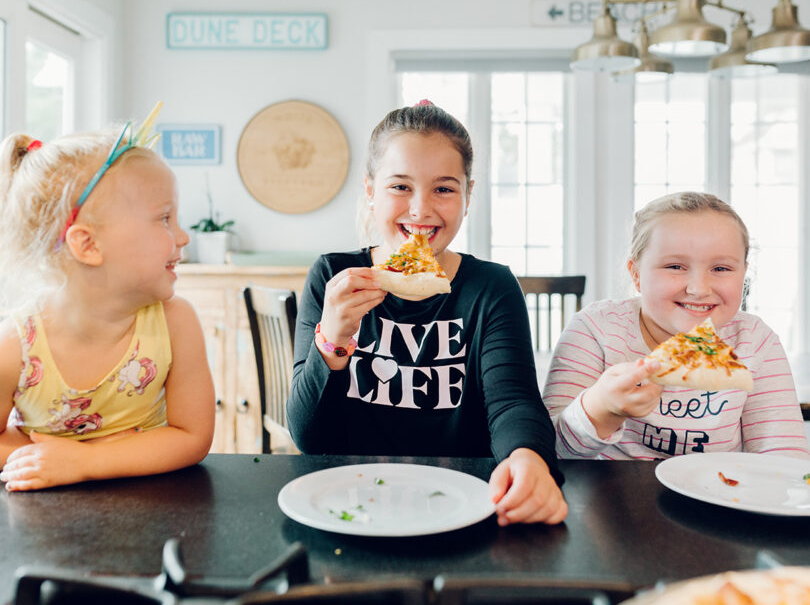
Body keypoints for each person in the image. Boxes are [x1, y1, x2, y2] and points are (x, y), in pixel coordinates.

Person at [287, 101, 567, 526]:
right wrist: (333, 338)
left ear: (468, 196)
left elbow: (512, 403)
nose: (420, 210)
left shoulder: (490, 288)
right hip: (349, 503)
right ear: (370, 190)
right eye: (400, 187)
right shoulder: (334, 276)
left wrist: (527, 458)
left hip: (467, 502)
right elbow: (310, 439)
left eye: (444, 188)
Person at [0, 104, 215, 491]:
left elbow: (192, 436)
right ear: (87, 244)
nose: (183, 237)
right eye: (164, 218)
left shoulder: (176, 322)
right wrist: (56, 459)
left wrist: (84, 461)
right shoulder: (15, 345)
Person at [543, 191, 809, 460]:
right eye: (675, 266)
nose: (698, 288)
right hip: (609, 498)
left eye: (721, 269)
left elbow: (785, 459)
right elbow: (549, 449)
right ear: (636, 274)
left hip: (718, 496)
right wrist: (602, 408)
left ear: (743, 273)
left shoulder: (755, 342)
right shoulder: (596, 330)